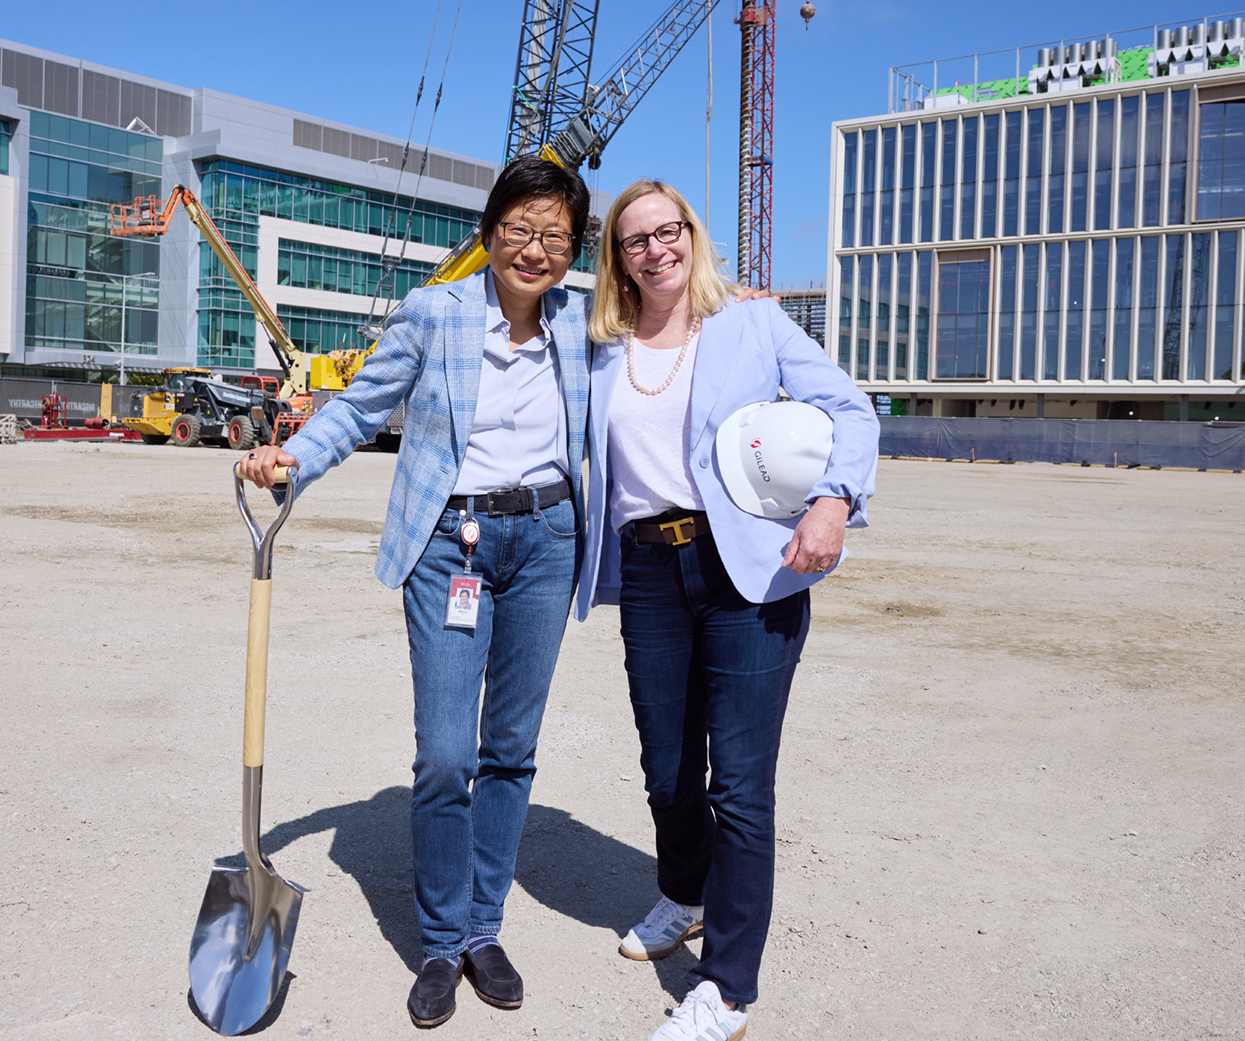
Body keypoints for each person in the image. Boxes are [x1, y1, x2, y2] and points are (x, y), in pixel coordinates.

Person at [241, 157, 590, 1029]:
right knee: (445, 755)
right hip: (450, 544)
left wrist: (729, 303)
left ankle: (484, 929)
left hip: (546, 541)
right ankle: (440, 940)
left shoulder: (586, 323)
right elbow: (360, 410)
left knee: (510, 748)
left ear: (573, 250)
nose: (534, 249)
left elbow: (670, 323)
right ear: (489, 232)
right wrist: (293, 460)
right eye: (519, 228)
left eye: (554, 235)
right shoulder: (435, 312)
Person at [572, 179, 879, 1041]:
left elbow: (848, 408)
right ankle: (686, 894)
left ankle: (727, 990)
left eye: (669, 231)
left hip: (748, 568)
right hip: (647, 570)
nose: (656, 249)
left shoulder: (751, 322)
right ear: (617, 259)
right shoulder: (597, 344)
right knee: (667, 770)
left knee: (740, 787)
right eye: (636, 240)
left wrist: (832, 502)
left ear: (691, 236)